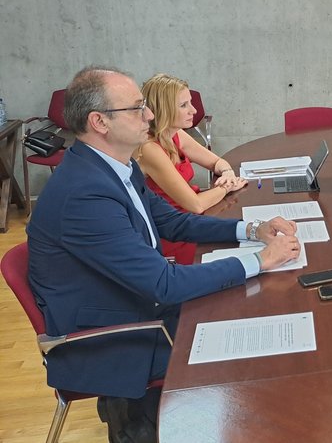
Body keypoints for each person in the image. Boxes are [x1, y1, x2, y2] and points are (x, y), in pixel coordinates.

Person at [26, 66, 301, 442]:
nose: (151, 115)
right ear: (99, 122)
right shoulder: (83, 195)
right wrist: (260, 260)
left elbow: (175, 223)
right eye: (138, 108)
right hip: (110, 336)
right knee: (250, 345)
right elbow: (162, 284)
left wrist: (251, 230)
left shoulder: (113, 168)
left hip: (133, 302)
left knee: (248, 308)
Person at [136, 73, 247, 265]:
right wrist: (227, 187)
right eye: (183, 105)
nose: (194, 110)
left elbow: (216, 163)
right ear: (164, 109)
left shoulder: (175, 133)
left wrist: (228, 174)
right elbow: (195, 204)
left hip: (191, 220)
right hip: (173, 232)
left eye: (190, 103)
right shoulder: (149, 148)